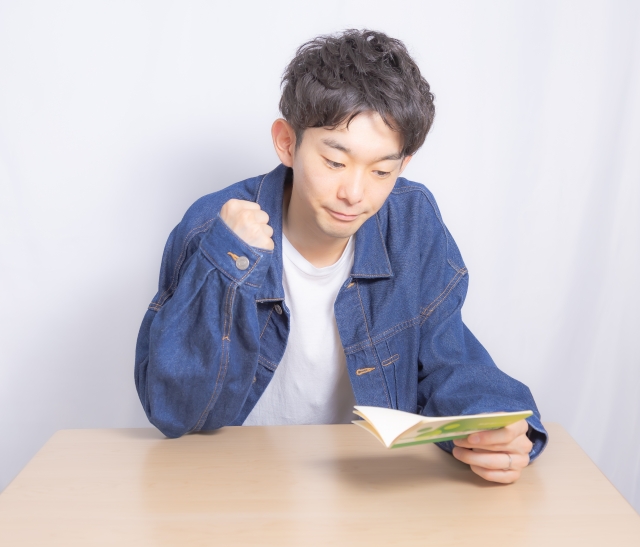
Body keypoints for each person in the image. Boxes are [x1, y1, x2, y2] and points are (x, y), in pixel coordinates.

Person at [135, 29, 548, 484]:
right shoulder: (213, 227)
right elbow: (173, 410)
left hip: (362, 483)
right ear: (287, 142)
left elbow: (446, 356)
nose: (354, 193)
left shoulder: (412, 223)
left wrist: (499, 429)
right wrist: (228, 262)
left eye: (382, 170)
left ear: (404, 164)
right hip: (231, 482)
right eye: (335, 162)